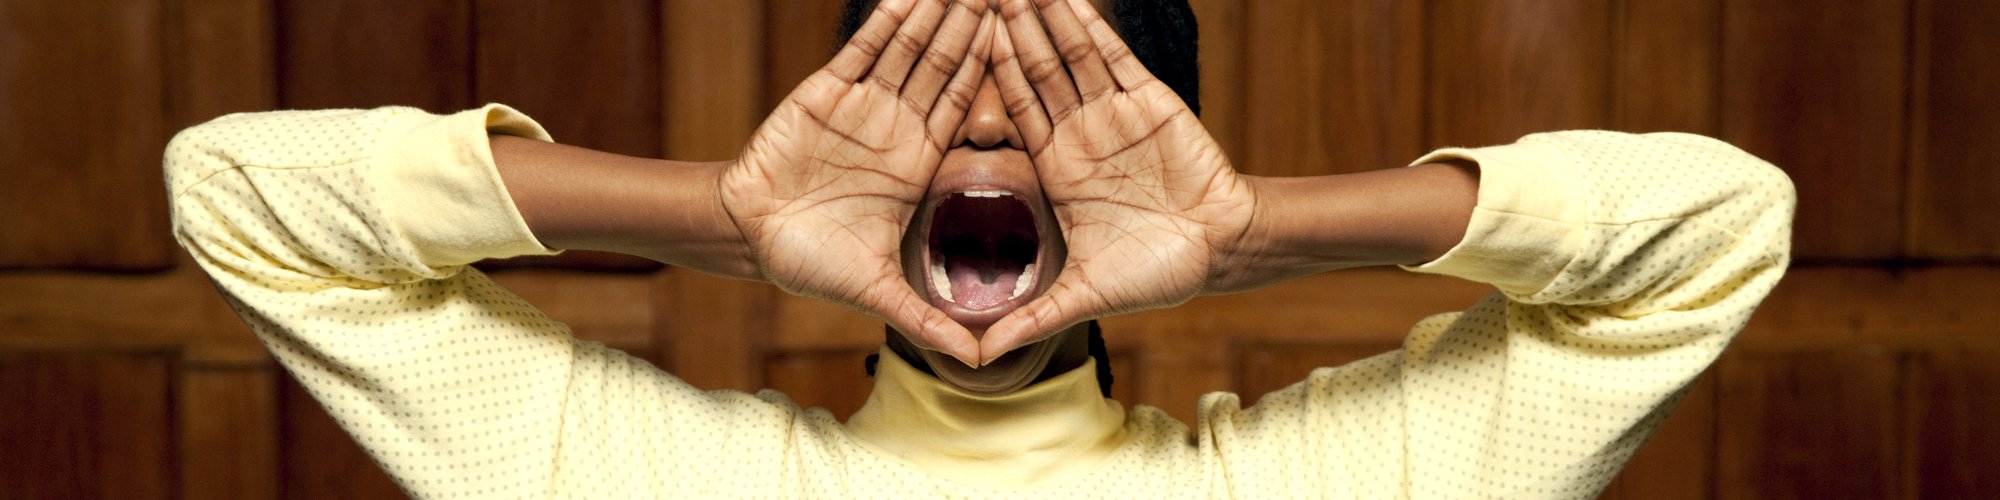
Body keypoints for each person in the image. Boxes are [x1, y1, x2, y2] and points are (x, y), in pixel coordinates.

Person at [163, 0, 1793, 496]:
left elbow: (1720, 230)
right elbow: (236, 194)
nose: (995, 160)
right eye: (938, 125)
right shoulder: (657, 474)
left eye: (1061, 128)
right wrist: (721, 222)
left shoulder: (1326, 483)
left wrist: (1260, 239)